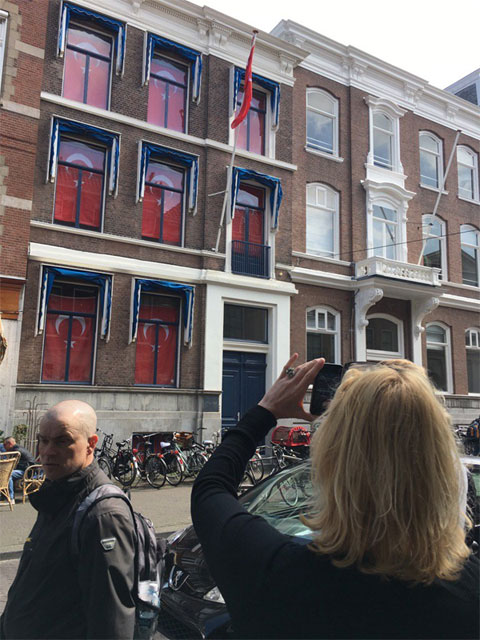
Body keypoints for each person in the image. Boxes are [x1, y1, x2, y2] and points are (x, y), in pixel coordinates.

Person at [191, 355, 479, 639]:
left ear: (328, 462)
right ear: (442, 463)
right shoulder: (470, 589)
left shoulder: (279, 576)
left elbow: (211, 489)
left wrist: (266, 411)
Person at [0, 400, 136, 640]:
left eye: (62, 441)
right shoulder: (56, 495)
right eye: (43, 440)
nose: (47, 451)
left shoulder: (104, 516)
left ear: (91, 445)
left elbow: (111, 622)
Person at [3, 436, 36, 503]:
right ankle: (5, 496)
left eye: (4, 445)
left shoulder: (16, 450)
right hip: (28, 469)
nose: (4, 447)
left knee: (8, 474)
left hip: (27, 471)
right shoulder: (18, 448)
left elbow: (10, 463)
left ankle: (11, 498)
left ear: (10, 444)